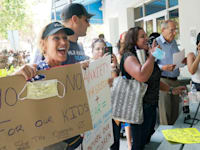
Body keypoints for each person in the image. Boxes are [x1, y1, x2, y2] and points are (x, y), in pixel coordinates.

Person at [14, 22, 88, 150]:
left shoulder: (72, 73)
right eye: (56, 38)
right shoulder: (35, 75)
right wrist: (15, 76)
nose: (63, 42)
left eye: (65, 38)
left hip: (76, 142)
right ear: (44, 45)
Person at [120, 26, 185, 150]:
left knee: (146, 140)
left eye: (146, 35)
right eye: (142, 36)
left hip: (151, 106)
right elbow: (142, 76)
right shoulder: (129, 57)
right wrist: (152, 56)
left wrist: (171, 90)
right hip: (138, 109)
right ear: (133, 40)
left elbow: (154, 80)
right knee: (138, 145)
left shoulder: (146, 55)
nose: (146, 39)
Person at [156, 20, 186, 125]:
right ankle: (166, 139)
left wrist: (183, 61)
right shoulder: (157, 43)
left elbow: (175, 60)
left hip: (175, 80)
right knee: (166, 115)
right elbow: (153, 65)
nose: (174, 33)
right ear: (163, 30)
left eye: (175, 30)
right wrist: (163, 67)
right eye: (172, 30)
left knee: (175, 113)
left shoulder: (173, 42)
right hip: (164, 81)